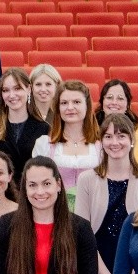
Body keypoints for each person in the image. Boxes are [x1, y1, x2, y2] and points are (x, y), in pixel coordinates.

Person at [74, 114, 138, 274]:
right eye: (108, 137)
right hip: (96, 266)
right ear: (100, 141)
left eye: (121, 136)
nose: (114, 142)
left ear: (132, 140)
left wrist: (133, 271)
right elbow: (82, 234)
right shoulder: (86, 179)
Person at [31, 80, 101, 208]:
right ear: (58, 108)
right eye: (64, 103)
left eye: (76, 102)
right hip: (56, 211)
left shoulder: (101, 146)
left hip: (95, 211)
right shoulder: (44, 144)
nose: (70, 108)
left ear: (87, 106)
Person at [0, 69, 48, 180]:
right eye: (6, 90)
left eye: (17, 88)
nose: (11, 95)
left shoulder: (44, 128)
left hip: (31, 191)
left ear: (28, 89)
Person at [95, 79, 138, 170]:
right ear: (102, 102)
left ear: (128, 105)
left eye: (120, 98)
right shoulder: (90, 130)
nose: (114, 102)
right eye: (109, 97)